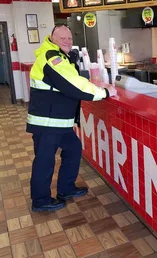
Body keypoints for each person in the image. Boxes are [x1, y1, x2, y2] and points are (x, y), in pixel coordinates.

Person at [27, 25, 117, 212]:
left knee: (73, 148)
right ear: (52, 39)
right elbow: (73, 84)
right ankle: (41, 200)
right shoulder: (52, 58)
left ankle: (66, 189)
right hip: (47, 122)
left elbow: (70, 79)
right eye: (63, 38)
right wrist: (105, 92)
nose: (67, 41)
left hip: (58, 122)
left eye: (69, 38)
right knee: (45, 161)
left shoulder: (60, 57)